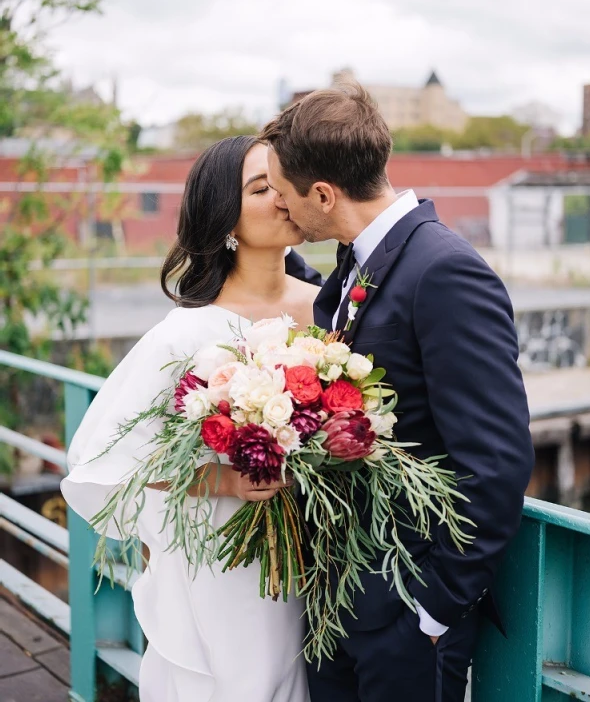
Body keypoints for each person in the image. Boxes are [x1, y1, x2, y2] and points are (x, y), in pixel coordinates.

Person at [261, 84, 535, 702]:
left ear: (324, 195)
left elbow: (496, 464)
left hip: (407, 618)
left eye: (282, 192)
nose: (278, 204)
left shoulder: (444, 270)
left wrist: (431, 611)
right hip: (341, 601)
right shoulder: (357, 261)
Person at [61, 135, 320, 702]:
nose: (283, 197)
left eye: (285, 181)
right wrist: (227, 479)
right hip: (224, 564)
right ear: (225, 219)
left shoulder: (325, 308)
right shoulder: (186, 334)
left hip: (312, 559)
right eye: (261, 188)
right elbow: (109, 457)